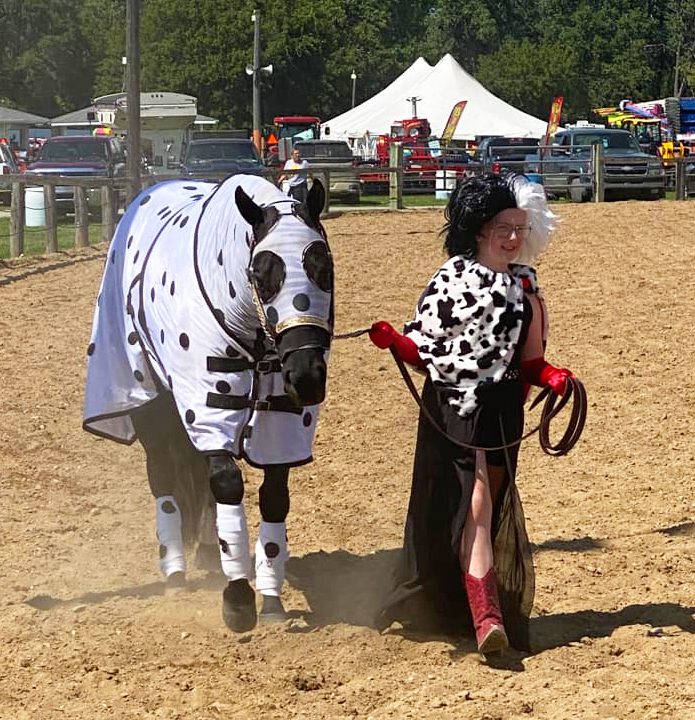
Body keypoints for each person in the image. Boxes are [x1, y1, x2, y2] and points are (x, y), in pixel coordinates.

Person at [369, 172, 577, 657]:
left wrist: (552, 379)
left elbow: (530, 360)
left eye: (520, 229)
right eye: (503, 227)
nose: (512, 238)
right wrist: (395, 341)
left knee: (480, 512)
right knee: (478, 506)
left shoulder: (527, 288)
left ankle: (463, 609)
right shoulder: (450, 281)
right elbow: (423, 351)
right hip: (455, 407)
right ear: (479, 228)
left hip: (503, 411)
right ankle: (487, 621)